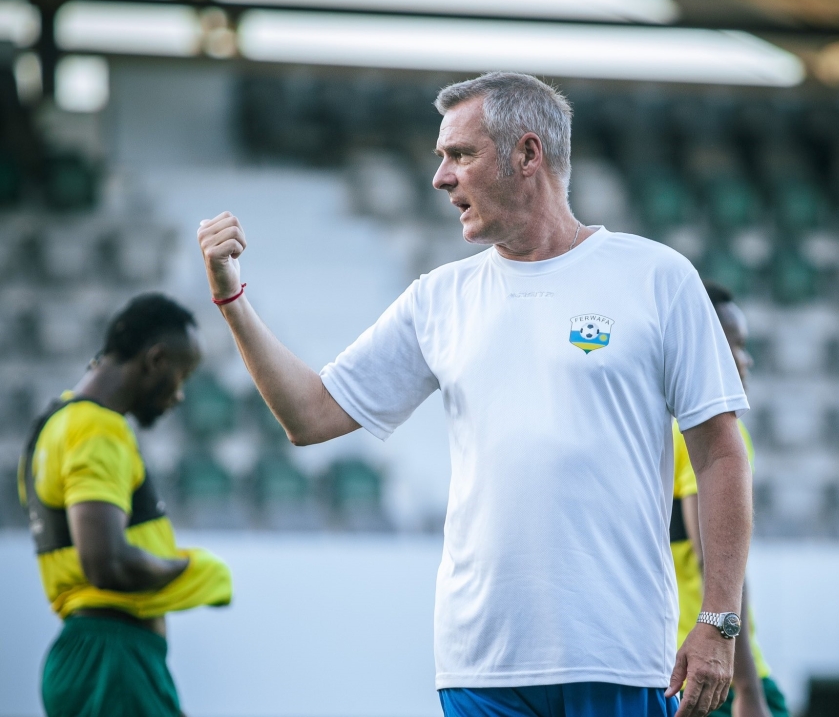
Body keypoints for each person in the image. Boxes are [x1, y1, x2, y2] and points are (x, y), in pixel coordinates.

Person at [197, 72, 752, 717]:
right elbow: (310, 414)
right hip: (479, 666)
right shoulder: (439, 298)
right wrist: (232, 298)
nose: (440, 177)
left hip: (619, 657)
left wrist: (719, 621)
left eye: (460, 154)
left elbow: (720, 455)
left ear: (527, 154)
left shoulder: (657, 278)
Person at [18, 293, 233, 717]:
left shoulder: (52, 424)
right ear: (156, 360)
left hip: (97, 659)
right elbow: (107, 564)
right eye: (182, 375)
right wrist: (190, 569)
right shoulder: (97, 429)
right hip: (114, 661)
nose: (181, 395)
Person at [671, 281, 789, 717]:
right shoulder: (713, 433)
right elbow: (714, 561)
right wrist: (747, 689)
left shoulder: (659, 427)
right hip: (712, 671)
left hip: (669, 663)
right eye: (735, 345)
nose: (746, 359)